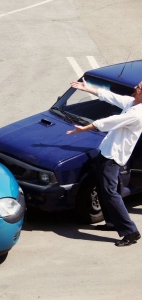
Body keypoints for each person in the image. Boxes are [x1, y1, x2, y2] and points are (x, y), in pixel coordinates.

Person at [66, 78, 142, 247]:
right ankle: (112, 223)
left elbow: (110, 121)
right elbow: (110, 96)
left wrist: (85, 128)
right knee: (102, 188)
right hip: (106, 152)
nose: (135, 87)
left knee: (110, 193)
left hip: (113, 158)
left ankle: (131, 232)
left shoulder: (137, 114)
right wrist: (87, 88)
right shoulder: (132, 103)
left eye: (139, 87)